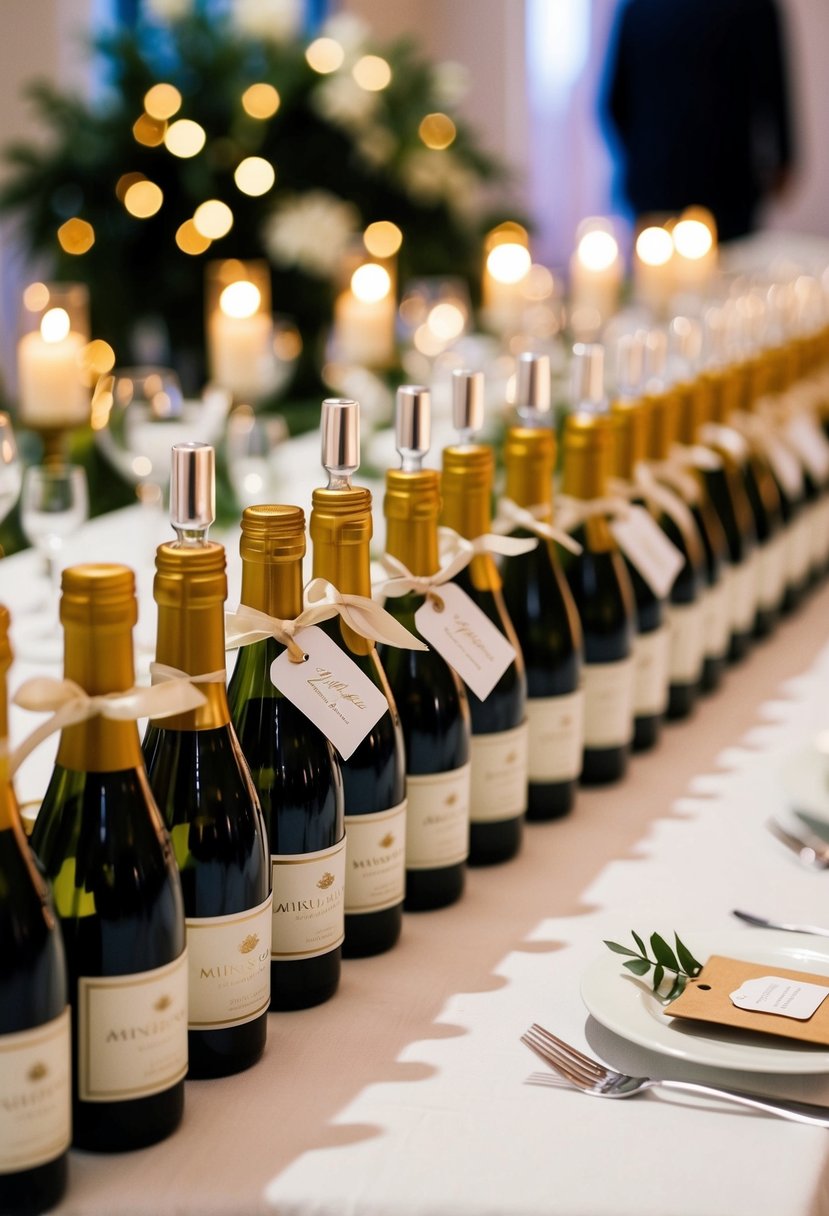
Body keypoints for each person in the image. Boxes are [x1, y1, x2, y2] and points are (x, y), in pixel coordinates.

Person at [603, 0, 796, 242]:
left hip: (660, 184)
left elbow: (613, 105)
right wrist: (785, 161)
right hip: (728, 183)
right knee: (732, 276)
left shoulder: (638, 9)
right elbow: (775, 93)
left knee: (658, 276)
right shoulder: (754, 8)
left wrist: (644, 158)